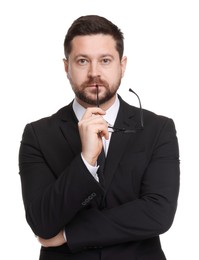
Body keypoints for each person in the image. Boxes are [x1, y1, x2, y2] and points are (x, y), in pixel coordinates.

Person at [19, 15, 180, 260]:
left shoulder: (158, 128)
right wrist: (86, 161)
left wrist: (70, 234)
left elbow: (158, 213)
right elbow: (42, 223)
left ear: (122, 65)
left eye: (105, 60)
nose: (94, 72)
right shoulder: (38, 134)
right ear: (66, 67)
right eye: (82, 61)